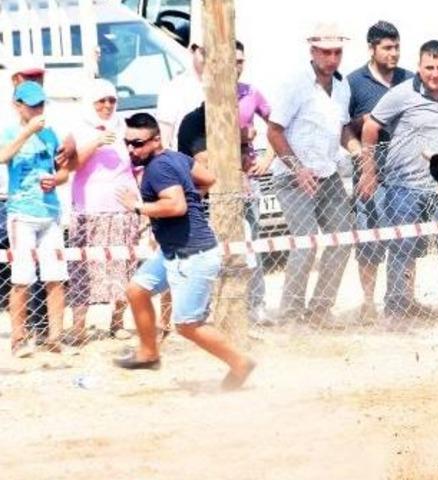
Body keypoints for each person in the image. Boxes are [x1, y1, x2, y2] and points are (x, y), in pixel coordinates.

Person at [114, 113, 255, 390]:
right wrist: (193, 195)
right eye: (127, 143)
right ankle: (149, 353)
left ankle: (241, 363)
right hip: (173, 252)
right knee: (137, 290)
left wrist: (138, 207)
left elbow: (176, 206)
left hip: (192, 255)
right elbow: (208, 178)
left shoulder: (158, 169)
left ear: (156, 140)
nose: (132, 149)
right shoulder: (175, 158)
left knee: (188, 325)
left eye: (138, 143)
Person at [358, 40, 438, 324]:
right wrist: (369, 171)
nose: (435, 74)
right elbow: (371, 127)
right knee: (402, 246)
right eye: (429, 67)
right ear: (419, 67)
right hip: (402, 186)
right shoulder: (401, 94)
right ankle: (396, 310)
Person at [260, 23, 362, 325]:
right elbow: (274, 131)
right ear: (313, 52)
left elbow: (342, 127)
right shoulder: (295, 84)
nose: (332, 58)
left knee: (342, 238)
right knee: (305, 242)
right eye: (326, 52)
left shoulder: (342, 86)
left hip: (327, 172)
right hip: (293, 176)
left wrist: (355, 148)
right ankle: (291, 314)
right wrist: (297, 168)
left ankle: (320, 310)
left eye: (337, 52)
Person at [179, 40, 271, 326]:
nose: (237, 67)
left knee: (249, 249)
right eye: (232, 61)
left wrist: (266, 157)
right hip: (207, 198)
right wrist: (241, 137)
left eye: (241, 60)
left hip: (243, 187)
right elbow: (207, 159)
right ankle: (204, 311)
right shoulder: (195, 118)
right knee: (208, 255)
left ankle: (254, 307)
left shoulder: (251, 93)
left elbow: (278, 123)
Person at [64, 79, 140, 345]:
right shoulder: (77, 128)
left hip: (122, 207)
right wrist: (95, 142)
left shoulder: (124, 125)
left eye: (111, 100)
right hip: (90, 208)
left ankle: (117, 322)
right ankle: (79, 328)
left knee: (122, 267)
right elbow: (69, 165)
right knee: (84, 268)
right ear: (91, 102)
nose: (107, 106)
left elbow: (137, 162)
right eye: (101, 101)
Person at [346, 21, 413, 322]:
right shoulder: (353, 83)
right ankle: (369, 304)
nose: (394, 53)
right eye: (387, 47)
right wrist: (359, 155)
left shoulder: (410, 80)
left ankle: (404, 301)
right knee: (370, 240)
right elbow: (343, 129)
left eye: (397, 46)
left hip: (406, 174)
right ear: (372, 49)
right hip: (369, 175)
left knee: (408, 238)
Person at [0, 81, 70, 357]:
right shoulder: (9, 131)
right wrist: (28, 131)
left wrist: (57, 179)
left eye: (41, 104)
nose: (38, 109)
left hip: (50, 212)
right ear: (18, 106)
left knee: (56, 277)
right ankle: (18, 339)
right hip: (21, 212)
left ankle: (55, 337)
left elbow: (64, 171)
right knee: (22, 277)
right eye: (32, 105)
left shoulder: (51, 134)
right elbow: (2, 156)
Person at [155, 41, 205, 149]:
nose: (209, 59)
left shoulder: (227, 87)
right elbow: (164, 137)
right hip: (186, 160)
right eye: (204, 53)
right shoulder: (174, 88)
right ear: (192, 51)